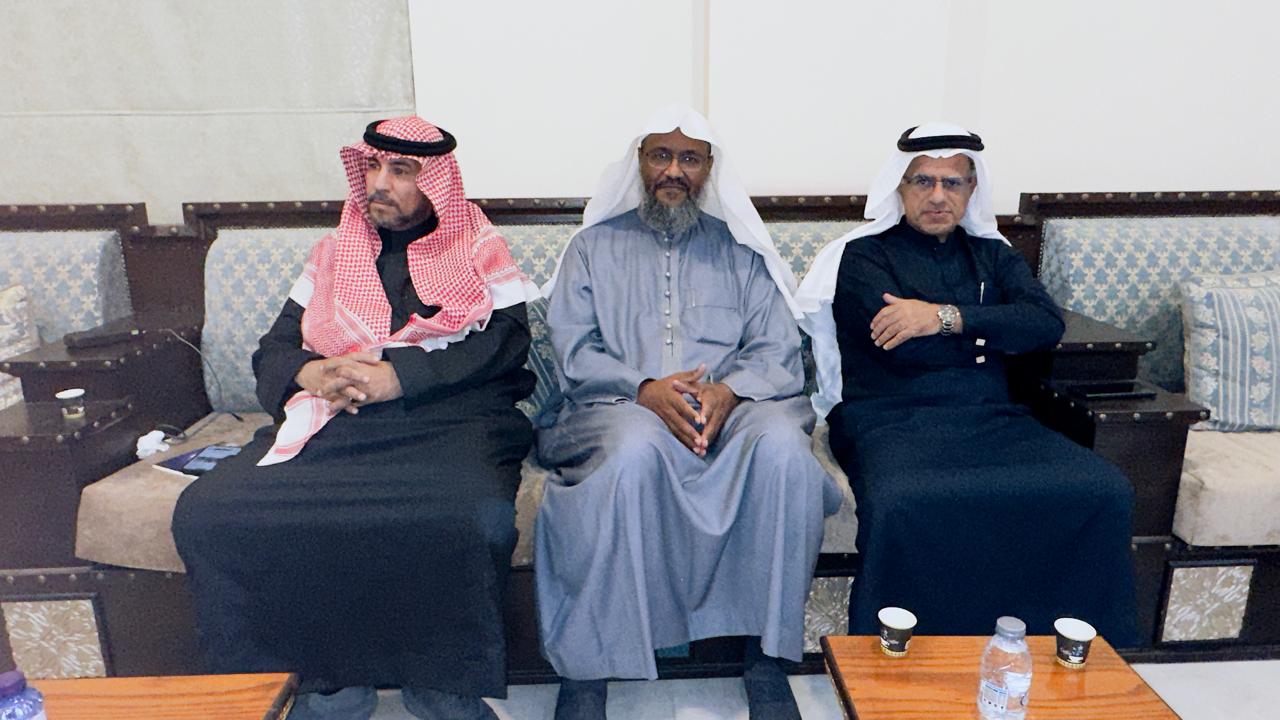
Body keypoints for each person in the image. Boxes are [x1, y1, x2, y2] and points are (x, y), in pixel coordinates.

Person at [171, 116, 541, 720]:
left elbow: (504, 344)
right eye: (372, 166)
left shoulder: (477, 248)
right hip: (334, 423)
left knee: (472, 517)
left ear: (437, 182)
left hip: (444, 424)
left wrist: (402, 376)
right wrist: (313, 373)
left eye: (401, 171)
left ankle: (440, 684)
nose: (379, 183)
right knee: (211, 511)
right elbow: (275, 349)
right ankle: (324, 684)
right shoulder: (334, 251)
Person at [536, 105, 844, 720]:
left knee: (784, 452)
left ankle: (766, 660)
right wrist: (644, 388)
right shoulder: (592, 248)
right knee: (633, 450)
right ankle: (590, 669)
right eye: (661, 155)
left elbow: (775, 350)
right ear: (640, 162)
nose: (673, 170)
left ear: (708, 169)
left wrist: (730, 390)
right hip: (618, 407)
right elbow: (573, 350)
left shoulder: (741, 253)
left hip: (731, 412)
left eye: (689, 158)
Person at [795, 123, 1138, 646]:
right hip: (888, 418)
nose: (938, 196)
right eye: (923, 181)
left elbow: (1044, 324)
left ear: (971, 189)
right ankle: (899, 655)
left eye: (952, 182)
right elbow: (900, 348)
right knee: (904, 500)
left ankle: (1061, 651)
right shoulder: (863, 256)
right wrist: (991, 330)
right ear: (899, 187)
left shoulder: (993, 254)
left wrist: (944, 317)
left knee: (1103, 488)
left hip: (991, 418)